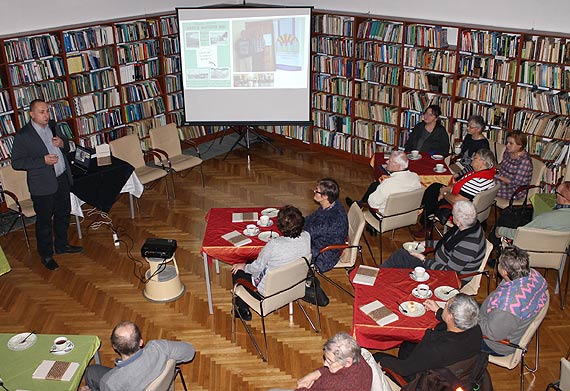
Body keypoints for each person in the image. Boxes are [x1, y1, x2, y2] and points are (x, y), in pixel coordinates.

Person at [11, 99, 82, 271]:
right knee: (44, 222)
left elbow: (65, 145)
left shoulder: (52, 125)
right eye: (42, 112)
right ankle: (46, 255)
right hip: (42, 185)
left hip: (62, 179)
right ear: (32, 114)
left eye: (47, 111)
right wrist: (42, 160)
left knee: (63, 214)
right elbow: (17, 162)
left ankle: (62, 245)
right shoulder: (24, 135)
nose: (46, 115)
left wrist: (62, 144)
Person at [374, 293, 482, 384]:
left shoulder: (436, 349)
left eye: (446, 306)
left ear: (451, 316)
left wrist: (383, 363)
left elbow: (404, 369)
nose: (444, 305)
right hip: (455, 372)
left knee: (377, 357)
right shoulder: (475, 329)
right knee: (408, 344)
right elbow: (453, 324)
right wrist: (439, 312)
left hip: (424, 380)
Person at [231, 205, 311, 321]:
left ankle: (242, 310)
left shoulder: (274, 245)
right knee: (251, 263)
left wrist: (242, 266)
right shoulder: (307, 236)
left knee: (237, 270)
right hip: (295, 285)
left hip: (269, 292)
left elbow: (256, 268)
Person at [382, 201, 487, 279]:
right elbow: (447, 243)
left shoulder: (467, 246)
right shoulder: (470, 226)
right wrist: (424, 243)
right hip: (440, 266)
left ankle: (378, 277)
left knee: (400, 256)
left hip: (446, 277)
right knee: (401, 259)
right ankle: (382, 277)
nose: (451, 217)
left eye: (453, 216)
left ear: (459, 222)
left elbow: (449, 273)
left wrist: (423, 259)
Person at [80, 321, 195, 391]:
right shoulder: (159, 348)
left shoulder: (110, 382)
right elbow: (189, 352)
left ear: (115, 347)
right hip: (165, 386)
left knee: (90, 371)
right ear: (141, 342)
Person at [479, 246, 548, 356]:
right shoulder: (534, 275)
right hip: (496, 318)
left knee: (450, 327)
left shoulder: (508, 307)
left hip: (495, 343)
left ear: (504, 272)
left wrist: (471, 319)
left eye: (499, 263)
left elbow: (493, 334)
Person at [414, 149, 496, 238]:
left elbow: (458, 200)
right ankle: (424, 213)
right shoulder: (488, 176)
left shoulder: (476, 181)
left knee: (432, 195)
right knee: (435, 187)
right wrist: (446, 188)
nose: (472, 159)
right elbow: (459, 184)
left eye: (475, 158)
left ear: (482, 162)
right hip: (475, 208)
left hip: (461, 210)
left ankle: (426, 226)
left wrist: (444, 193)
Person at [268, 332, 372, 391]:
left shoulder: (333, 383)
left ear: (348, 362)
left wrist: (303, 387)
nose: (324, 364)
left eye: (329, 361)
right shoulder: (359, 358)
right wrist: (315, 374)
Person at [345, 151, 421, 215]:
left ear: (397, 166)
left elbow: (372, 203)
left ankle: (359, 206)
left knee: (375, 190)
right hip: (407, 213)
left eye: (390, 161)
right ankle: (359, 204)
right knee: (374, 185)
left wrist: (381, 185)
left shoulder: (388, 184)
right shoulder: (415, 177)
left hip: (388, 216)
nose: (386, 162)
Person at [496, 181, 570, 240]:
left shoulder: (546, 218)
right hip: (559, 255)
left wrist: (500, 230)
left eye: (557, 193)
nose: (555, 195)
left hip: (532, 251)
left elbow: (521, 234)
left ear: (563, 199)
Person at [304, 178, 348, 272]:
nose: (314, 191)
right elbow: (312, 219)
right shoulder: (333, 204)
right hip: (321, 241)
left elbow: (308, 233)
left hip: (324, 255)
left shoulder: (331, 220)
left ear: (325, 196)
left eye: (317, 191)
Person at [496, 130, 533, 201]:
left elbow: (515, 182)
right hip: (502, 182)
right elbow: (502, 165)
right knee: (482, 179)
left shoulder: (524, 161)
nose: (507, 145)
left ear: (520, 145)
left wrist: (497, 177)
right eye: (507, 142)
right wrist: (490, 166)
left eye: (511, 143)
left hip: (515, 190)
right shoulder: (508, 152)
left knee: (486, 186)